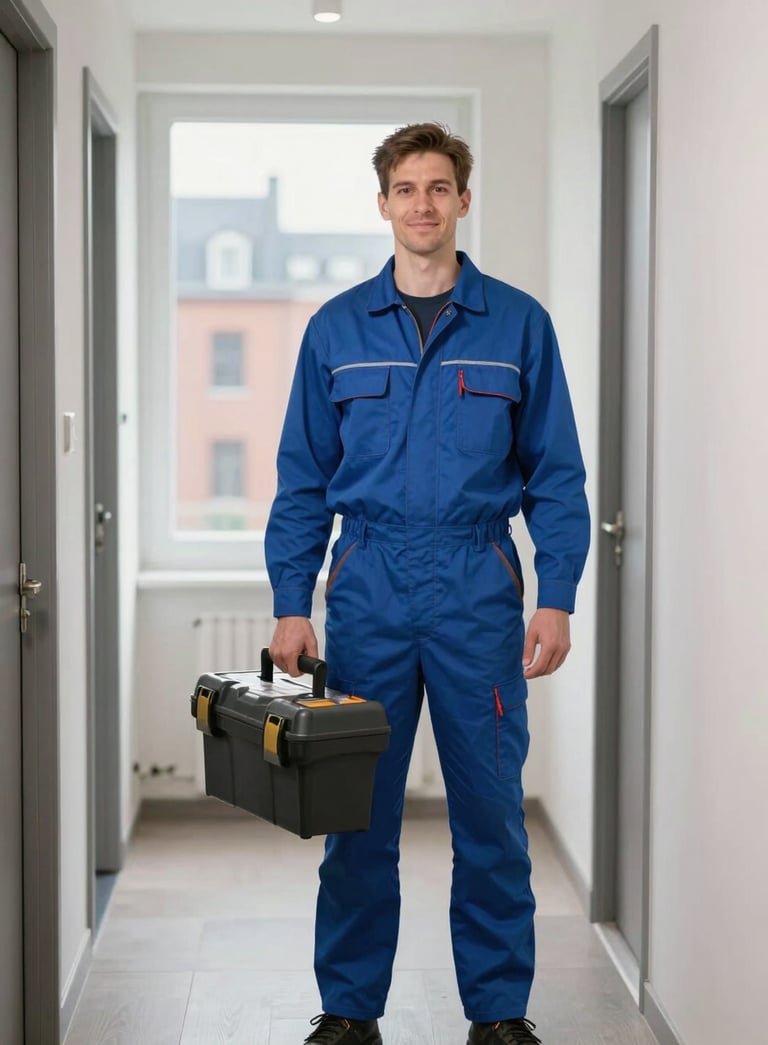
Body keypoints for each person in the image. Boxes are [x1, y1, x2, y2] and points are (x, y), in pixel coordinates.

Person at [266, 122, 590, 1045]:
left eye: (438, 187)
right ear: (383, 205)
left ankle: (498, 1013)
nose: (422, 205)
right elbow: (301, 479)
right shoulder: (335, 330)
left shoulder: (519, 324)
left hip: (476, 588)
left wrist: (556, 594)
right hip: (366, 586)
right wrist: (293, 601)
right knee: (356, 820)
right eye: (405, 189)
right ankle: (350, 1010)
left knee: (489, 814)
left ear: (463, 199)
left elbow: (556, 475)